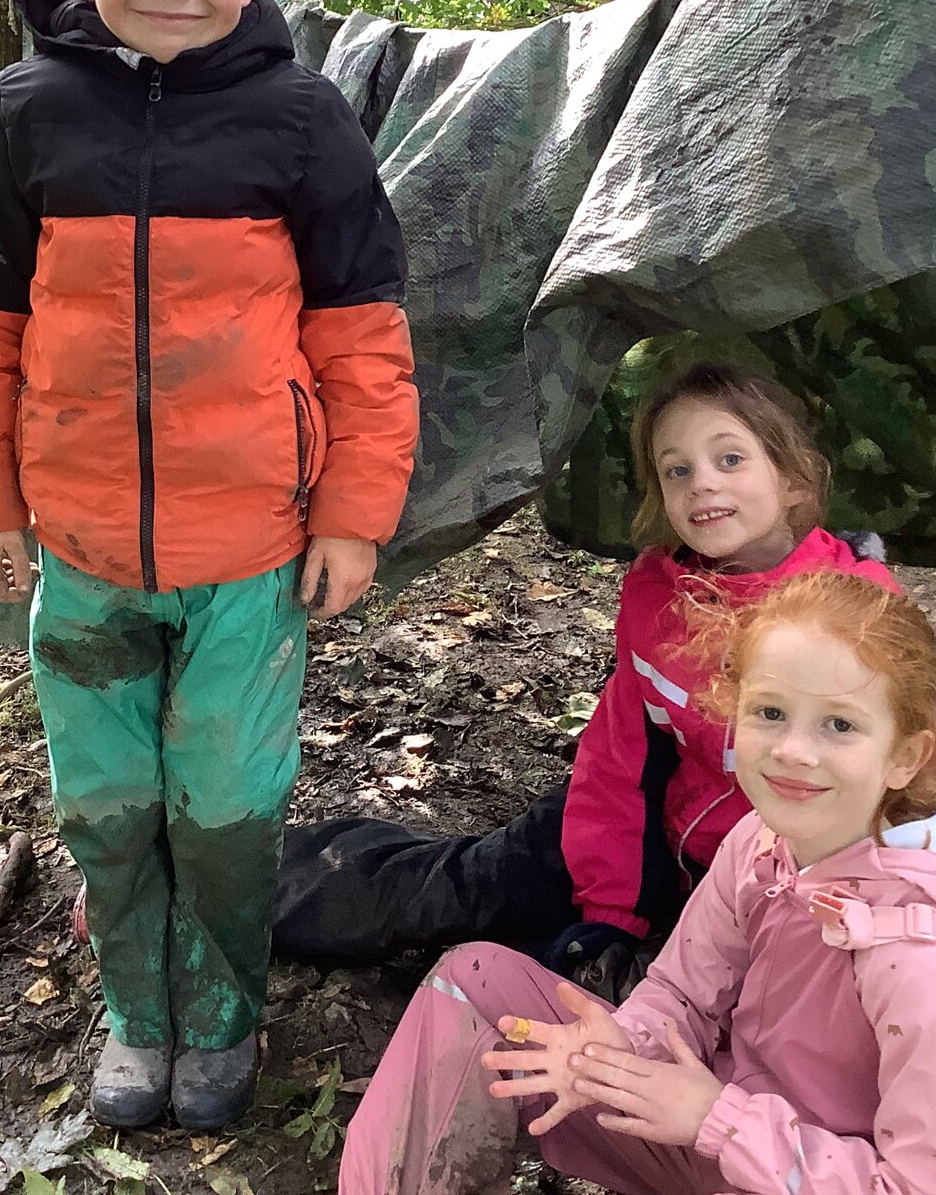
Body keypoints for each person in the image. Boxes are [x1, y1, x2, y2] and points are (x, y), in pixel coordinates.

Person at [0, 0, 418, 1132]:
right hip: (80, 556)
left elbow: (365, 343)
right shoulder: (24, 119)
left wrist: (354, 517)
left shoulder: (302, 123)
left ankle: (223, 1016)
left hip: (250, 557)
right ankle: (137, 1018)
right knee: (108, 806)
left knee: (225, 811)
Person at [338, 570, 936, 1195]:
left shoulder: (924, 959)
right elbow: (684, 991)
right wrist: (611, 1051)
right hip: (720, 1130)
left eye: (839, 726)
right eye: (771, 713)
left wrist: (719, 1120)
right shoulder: (763, 839)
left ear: (904, 757)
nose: (793, 751)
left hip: (770, 1152)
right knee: (476, 984)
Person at [273, 363, 896, 993]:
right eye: (677, 470)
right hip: (629, 835)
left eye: (730, 459)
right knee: (449, 892)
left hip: (756, 886)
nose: (702, 484)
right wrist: (611, 909)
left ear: (791, 480)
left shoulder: (854, 614)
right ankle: (237, 878)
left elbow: (874, 801)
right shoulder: (660, 592)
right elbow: (620, 754)